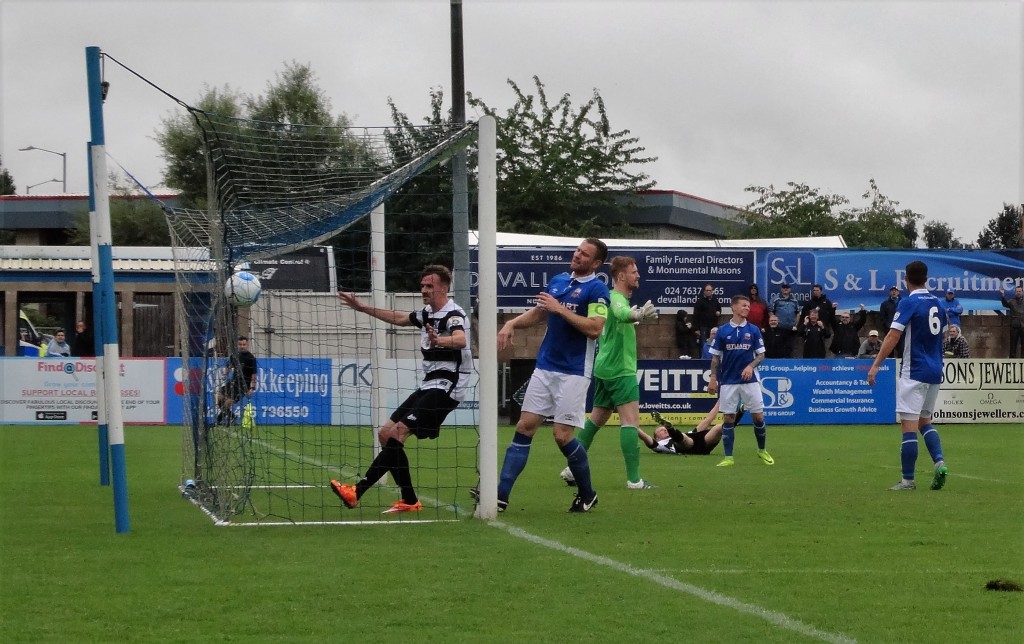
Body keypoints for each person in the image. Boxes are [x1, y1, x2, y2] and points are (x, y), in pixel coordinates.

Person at [331, 265, 473, 514]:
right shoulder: (426, 314)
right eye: (422, 286)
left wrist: (440, 340)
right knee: (386, 434)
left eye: (429, 286)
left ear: (443, 287)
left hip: (449, 384)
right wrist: (362, 308)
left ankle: (357, 491)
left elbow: (461, 339)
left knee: (397, 433)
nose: (424, 290)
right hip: (429, 383)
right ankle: (409, 500)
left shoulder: (454, 315)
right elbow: (397, 317)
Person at [483, 238, 610, 513]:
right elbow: (541, 313)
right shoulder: (559, 281)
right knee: (524, 427)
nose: (577, 255)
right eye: (577, 250)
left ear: (596, 263)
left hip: (575, 371)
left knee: (561, 436)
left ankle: (587, 494)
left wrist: (559, 309)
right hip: (545, 367)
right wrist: (512, 323)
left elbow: (594, 329)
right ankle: (500, 496)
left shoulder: (598, 290)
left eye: (584, 254)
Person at [559, 256, 658, 490]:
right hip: (620, 370)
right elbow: (623, 313)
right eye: (634, 272)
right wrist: (638, 315)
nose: (638, 275)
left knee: (596, 420)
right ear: (621, 276)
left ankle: (571, 469)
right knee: (631, 422)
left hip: (603, 368)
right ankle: (634, 480)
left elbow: (620, 319)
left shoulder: (614, 299)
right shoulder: (615, 298)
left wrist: (635, 318)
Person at [867, 260, 948, 492]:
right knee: (925, 421)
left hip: (914, 371)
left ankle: (908, 481)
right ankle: (939, 462)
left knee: (909, 426)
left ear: (906, 279)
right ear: (927, 278)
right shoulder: (938, 303)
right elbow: (942, 336)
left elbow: (893, 336)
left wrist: (875, 365)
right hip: (934, 371)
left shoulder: (909, 302)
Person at [707, 294, 772, 467]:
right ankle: (729, 457)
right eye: (743, 305)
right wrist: (713, 378)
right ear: (734, 307)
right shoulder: (722, 331)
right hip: (729, 381)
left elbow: (761, 355)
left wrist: (750, 366)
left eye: (748, 306)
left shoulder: (753, 330)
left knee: (758, 417)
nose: (747, 308)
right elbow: (715, 359)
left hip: (750, 381)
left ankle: (762, 450)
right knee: (728, 418)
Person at [642, 402, 745, 456]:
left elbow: (708, 420)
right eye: (661, 430)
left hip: (702, 445)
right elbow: (647, 439)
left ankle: (741, 411)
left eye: (665, 428)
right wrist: (634, 428)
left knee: (718, 428)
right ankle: (671, 428)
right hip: (686, 447)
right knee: (685, 440)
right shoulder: (660, 444)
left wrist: (720, 400)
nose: (663, 430)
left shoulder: (690, 433)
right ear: (657, 438)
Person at [215, 336, 258, 426]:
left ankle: (217, 421)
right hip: (233, 382)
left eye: (244, 344)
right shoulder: (235, 355)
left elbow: (254, 374)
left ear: (247, 345)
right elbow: (229, 366)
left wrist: (252, 388)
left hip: (243, 386)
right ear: (237, 345)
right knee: (218, 397)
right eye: (240, 344)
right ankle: (232, 417)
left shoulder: (251, 358)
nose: (242, 346)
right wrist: (225, 374)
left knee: (227, 403)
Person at [879, 286, 903, 358]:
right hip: (889, 330)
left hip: (901, 331)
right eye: (892, 290)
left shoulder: (903, 303)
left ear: (898, 292)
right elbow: (882, 318)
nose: (894, 292)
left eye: (895, 290)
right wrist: (887, 327)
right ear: (890, 292)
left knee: (901, 349)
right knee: (889, 350)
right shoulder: (884, 304)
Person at [1000, 286, 1024, 358]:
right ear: (1015, 292)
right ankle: (1012, 361)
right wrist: (1002, 295)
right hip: (1014, 326)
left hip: (1023, 326)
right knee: (1013, 345)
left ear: (1022, 292)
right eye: (1017, 291)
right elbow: (1004, 304)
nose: (1018, 293)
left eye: (1020, 291)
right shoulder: (1011, 301)